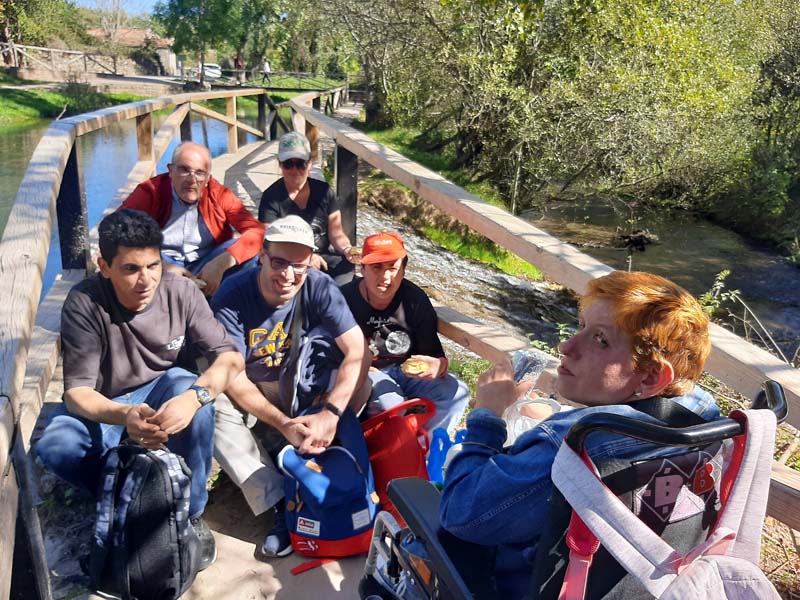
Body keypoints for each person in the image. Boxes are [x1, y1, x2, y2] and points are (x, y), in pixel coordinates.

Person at [439, 270, 718, 599]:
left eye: (600, 339)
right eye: (581, 326)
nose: (566, 346)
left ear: (650, 377)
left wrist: (487, 415)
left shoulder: (573, 443)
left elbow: (461, 513)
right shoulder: (707, 422)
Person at [35, 209, 244, 570]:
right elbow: (77, 393)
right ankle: (124, 496)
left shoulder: (181, 292)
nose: (145, 280)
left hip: (165, 385)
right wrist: (125, 415)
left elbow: (230, 359)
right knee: (56, 446)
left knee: (195, 396)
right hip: (107, 401)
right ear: (104, 266)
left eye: (153, 266)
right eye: (131, 269)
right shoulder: (85, 303)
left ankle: (191, 513)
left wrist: (193, 399)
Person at [210, 215, 366, 558]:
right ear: (262, 256)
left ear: (310, 263)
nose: (288, 275)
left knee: (362, 380)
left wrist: (331, 413)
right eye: (279, 263)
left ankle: (341, 471)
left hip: (300, 382)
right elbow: (233, 377)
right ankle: (279, 500)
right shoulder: (232, 296)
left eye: (299, 266)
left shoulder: (320, 286)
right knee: (210, 408)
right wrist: (281, 423)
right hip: (250, 386)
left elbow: (357, 349)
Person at [341, 231, 469, 433]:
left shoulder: (415, 300)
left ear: (403, 270)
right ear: (362, 268)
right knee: (390, 404)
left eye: (393, 268)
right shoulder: (343, 299)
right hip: (363, 371)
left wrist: (438, 366)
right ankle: (379, 443)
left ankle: (423, 443)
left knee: (458, 392)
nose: (386, 277)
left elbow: (435, 355)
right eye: (377, 267)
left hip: (404, 371)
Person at [121, 141, 265, 297]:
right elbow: (116, 229)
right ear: (170, 170)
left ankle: (219, 301)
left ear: (208, 178)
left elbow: (257, 232)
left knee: (250, 254)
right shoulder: (151, 191)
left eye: (200, 173)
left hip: (207, 262)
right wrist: (161, 266)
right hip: (161, 261)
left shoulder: (219, 194)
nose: (192, 179)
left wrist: (221, 263)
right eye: (184, 170)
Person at [259, 131, 359, 285]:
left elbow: (336, 233)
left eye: (300, 163)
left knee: (346, 266)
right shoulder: (271, 197)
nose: (294, 170)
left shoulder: (324, 191)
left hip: (322, 257)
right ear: (280, 164)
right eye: (288, 164)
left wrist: (347, 250)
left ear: (310, 163)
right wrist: (305, 258)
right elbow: (271, 242)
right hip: (288, 260)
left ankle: (334, 295)